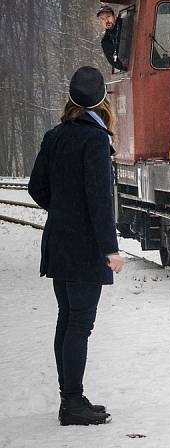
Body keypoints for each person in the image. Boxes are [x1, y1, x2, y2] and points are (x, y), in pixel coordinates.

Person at [28, 66, 124, 426]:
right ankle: (72, 403)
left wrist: (63, 210)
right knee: (79, 324)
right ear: (102, 104)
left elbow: (37, 188)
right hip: (84, 249)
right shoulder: (96, 140)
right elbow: (100, 201)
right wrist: (111, 250)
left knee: (67, 320)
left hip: (58, 242)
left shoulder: (55, 136)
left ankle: (71, 398)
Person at [97, 5, 126, 71]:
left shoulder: (125, 24)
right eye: (103, 19)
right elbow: (114, 62)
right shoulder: (105, 41)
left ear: (114, 16)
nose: (106, 21)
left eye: (108, 16)